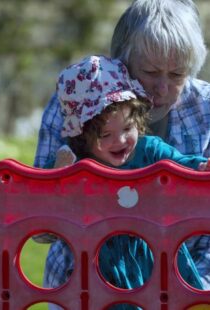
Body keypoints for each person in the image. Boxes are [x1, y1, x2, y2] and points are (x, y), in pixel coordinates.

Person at [34, 0, 210, 292]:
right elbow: (41, 232)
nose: (162, 88)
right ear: (121, 62)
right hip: (85, 281)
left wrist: (188, 292)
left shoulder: (206, 107)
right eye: (151, 72)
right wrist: (55, 185)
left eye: (178, 74)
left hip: (183, 281)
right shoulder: (76, 101)